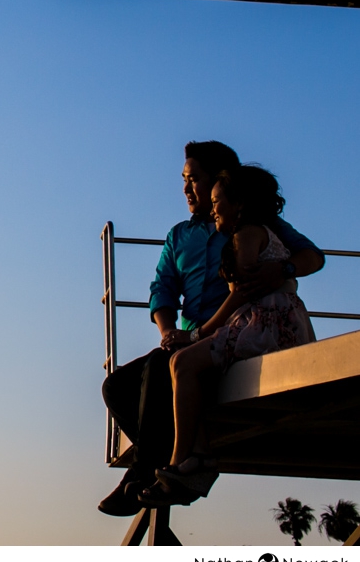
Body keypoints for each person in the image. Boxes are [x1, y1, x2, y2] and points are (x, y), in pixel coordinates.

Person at [97, 142, 324, 516]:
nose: (186, 188)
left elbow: (312, 256)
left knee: (160, 372)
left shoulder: (248, 222)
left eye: (194, 179)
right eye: (184, 180)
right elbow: (162, 289)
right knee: (116, 386)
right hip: (187, 337)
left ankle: (148, 471)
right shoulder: (179, 236)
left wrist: (281, 270)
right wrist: (169, 330)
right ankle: (159, 463)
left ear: (221, 183)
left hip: (230, 331)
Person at [141, 165, 316, 504]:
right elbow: (163, 288)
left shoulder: (245, 236)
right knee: (174, 368)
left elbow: (243, 293)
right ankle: (197, 453)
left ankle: (181, 461)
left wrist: (198, 335)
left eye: (219, 200)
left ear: (239, 203)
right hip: (268, 318)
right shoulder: (249, 232)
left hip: (263, 322)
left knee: (183, 365)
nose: (213, 207)